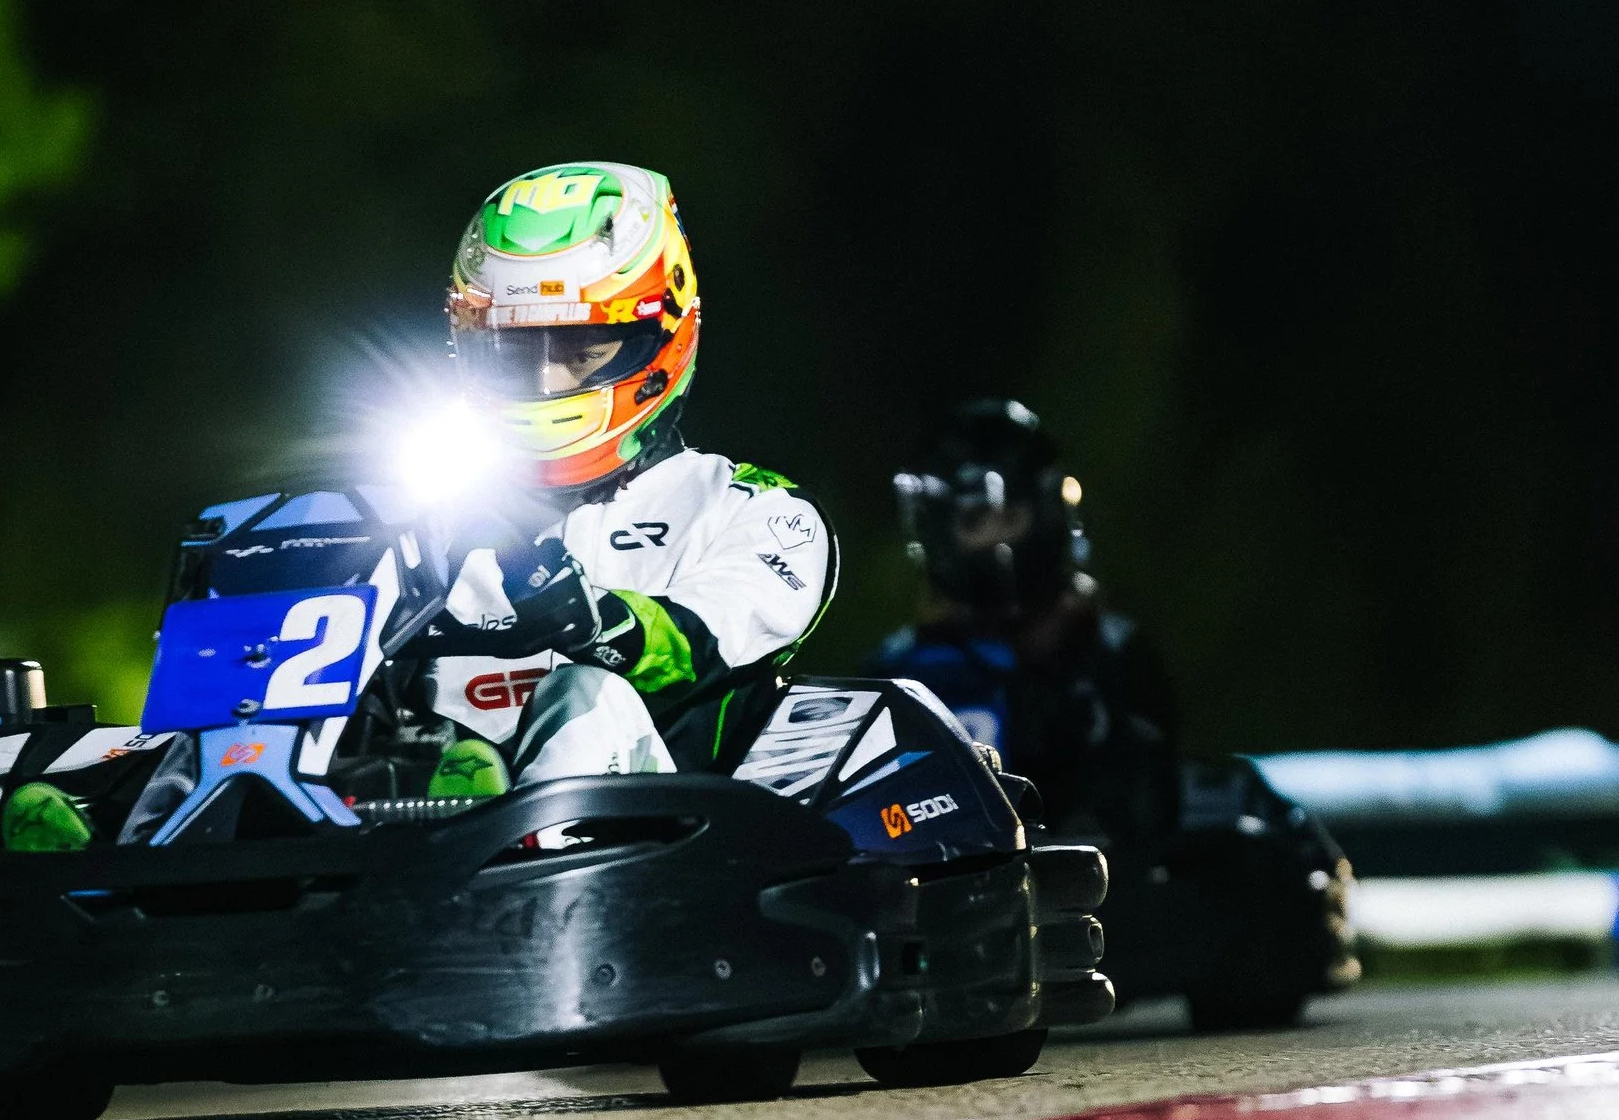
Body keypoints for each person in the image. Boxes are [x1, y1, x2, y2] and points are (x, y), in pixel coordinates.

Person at [411, 160, 838, 792]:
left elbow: (697, 648)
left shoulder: (756, 509)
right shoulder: (426, 514)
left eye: (583, 349)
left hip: (667, 833)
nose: (547, 381)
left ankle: (526, 845)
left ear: (661, 335)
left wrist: (598, 620)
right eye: (516, 351)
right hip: (419, 821)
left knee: (588, 694)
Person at [877, 397, 1178, 849]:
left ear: (1046, 513)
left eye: (1012, 517)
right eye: (977, 521)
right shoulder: (899, 670)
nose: (997, 539)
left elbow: (1149, 820)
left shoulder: (1110, 652)